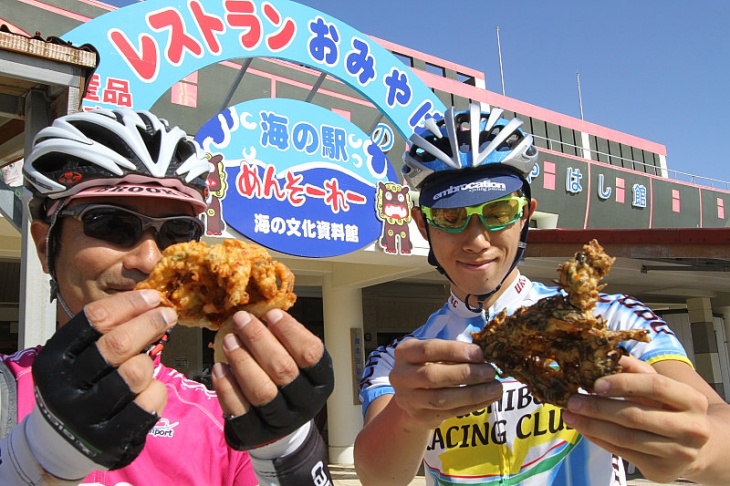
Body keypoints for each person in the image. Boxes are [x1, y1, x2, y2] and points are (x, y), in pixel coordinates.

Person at [354, 104, 730, 485]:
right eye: (451, 217)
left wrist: (702, 451)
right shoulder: (401, 359)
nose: (476, 239)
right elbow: (376, 477)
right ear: (422, 225)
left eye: (498, 211)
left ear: (525, 216)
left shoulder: (611, 319)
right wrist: (410, 414)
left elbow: (718, 418)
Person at [0, 108, 334, 485]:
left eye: (176, 233)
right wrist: (35, 462)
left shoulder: (221, 419)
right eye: (111, 224)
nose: (149, 260)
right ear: (46, 247)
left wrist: (289, 452)